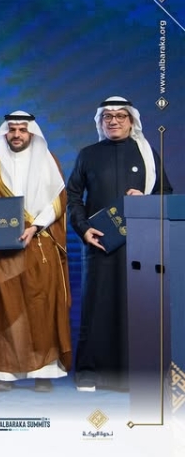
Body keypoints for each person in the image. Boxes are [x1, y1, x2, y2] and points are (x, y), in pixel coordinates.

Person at [67, 96, 172, 392]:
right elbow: (73, 196)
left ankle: (138, 373)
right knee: (96, 307)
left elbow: (166, 192)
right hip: (98, 243)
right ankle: (89, 373)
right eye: (108, 116)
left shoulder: (147, 155)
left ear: (131, 120)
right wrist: (84, 229)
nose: (113, 121)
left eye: (120, 116)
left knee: (137, 306)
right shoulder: (88, 155)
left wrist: (146, 200)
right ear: (101, 122)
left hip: (139, 244)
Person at [0, 111, 71, 393]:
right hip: (1, 253)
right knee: (4, 310)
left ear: (31, 133)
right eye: (11, 130)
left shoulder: (49, 161)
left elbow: (59, 201)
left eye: (22, 130)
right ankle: (4, 373)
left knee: (41, 308)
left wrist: (35, 226)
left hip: (38, 245)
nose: (16, 135)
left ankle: (44, 372)